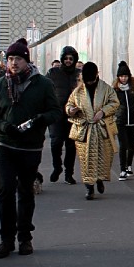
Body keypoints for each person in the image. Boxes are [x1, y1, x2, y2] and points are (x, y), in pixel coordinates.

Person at [0, 38, 61, 258]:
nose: (13, 63)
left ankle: (25, 238)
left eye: (18, 58)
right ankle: (6, 239)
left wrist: (39, 120)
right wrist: (3, 126)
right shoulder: (0, 84)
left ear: (26, 60)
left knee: (25, 192)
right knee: (6, 191)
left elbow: (55, 112)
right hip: (6, 145)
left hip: (30, 147)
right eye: (10, 59)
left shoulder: (42, 84)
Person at [66, 62, 119, 200]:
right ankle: (89, 187)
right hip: (84, 130)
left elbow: (115, 102)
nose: (89, 82)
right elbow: (69, 105)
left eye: (92, 80)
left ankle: (99, 179)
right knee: (86, 160)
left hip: (102, 129)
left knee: (103, 158)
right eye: (87, 80)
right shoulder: (78, 91)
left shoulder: (106, 89)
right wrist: (71, 111)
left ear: (97, 75)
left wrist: (103, 112)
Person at [46, 46, 81, 184]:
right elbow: (45, 90)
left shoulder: (79, 74)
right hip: (56, 114)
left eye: (71, 59)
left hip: (74, 115)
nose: (68, 61)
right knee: (55, 143)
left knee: (71, 145)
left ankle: (69, 173)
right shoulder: (53, 73)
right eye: (65, 58)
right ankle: (57, 167)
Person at [112, 61, 134, 180]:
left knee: (131, 145)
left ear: (129, 77)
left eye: (126, 76)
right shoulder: (115, 90)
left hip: (133, 121)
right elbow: (111, 106)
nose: (123, 78)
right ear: (118, 77)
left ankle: (129, 165)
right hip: (120, 121)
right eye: (121, 76)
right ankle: (122, 170)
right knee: (123, 145)